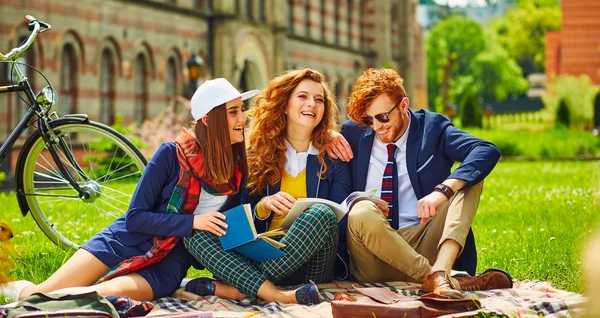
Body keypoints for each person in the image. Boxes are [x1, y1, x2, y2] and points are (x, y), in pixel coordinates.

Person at [0, 78, 257, 302]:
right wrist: (193, 222)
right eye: (233, 112)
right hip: (124, 241)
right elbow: (135, 218)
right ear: (208, 120)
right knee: (41, 296)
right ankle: (16, 289)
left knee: (85, 299)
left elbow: (231, 232)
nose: (242, 118)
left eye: (240, 110)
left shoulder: (237, 172)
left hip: (168, 263)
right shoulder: (170, 155)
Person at [335, 68, 512, 298]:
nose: (377, 126)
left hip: (424, 238)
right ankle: (439, 278)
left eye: (383, 117)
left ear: (403, 105)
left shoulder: (432, 128)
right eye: (369, 119)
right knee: (361, 210)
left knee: (469, 180)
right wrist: (328, 136)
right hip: (372, 254)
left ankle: (440, 270)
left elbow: (485, 150)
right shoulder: (354, 132)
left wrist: (443, 191)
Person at [184, 68, 351, 303]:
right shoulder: (255, 153)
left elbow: (339, 222)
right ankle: (269, 290)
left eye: (319, 99)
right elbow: (238, 219)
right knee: (195, 231)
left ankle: (243, 287)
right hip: (261, 253)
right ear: (284, 104)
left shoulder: (334, 156)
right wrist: (263, 206)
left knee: (322, 214)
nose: (312, 104)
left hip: (311, 265)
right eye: (303, 96)